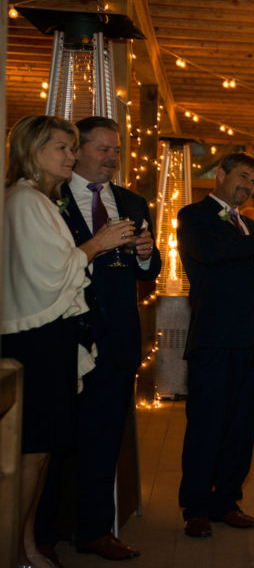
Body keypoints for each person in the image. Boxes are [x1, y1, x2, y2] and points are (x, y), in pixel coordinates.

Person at [1, 115, 133, 568]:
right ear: (32, 150)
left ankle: (28, 546)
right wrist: (97, 245)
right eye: (62, 147)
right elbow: (51, 273)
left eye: (71, 148)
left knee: (42, 452)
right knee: (33, 454)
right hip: (37, 338)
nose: (71, 156)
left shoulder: (40, 200)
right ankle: (18, 548)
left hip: (60, 335)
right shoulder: (24, 201)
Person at [34, 117, 161, 563]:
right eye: (102, 149)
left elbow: (152, 267)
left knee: (105, 440)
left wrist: (147, 256)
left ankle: (94, 531)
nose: (111, 158)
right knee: (55, 440)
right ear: (79, 151)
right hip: (65, 337)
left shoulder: (130, 201)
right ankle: (40, 534)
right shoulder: (49, 199)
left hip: (119, 341)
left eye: (116, 150)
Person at [176, 152, 254, 539]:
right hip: (213, 339)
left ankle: (226, 501)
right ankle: (195, 507)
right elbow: (211, 254)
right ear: (221, 174)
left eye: (253, 182)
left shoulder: (249, 225)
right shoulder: (194, 216)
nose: (247, 187)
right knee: (206, 424)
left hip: (252, 340)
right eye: (242, 178)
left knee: (243, 427)